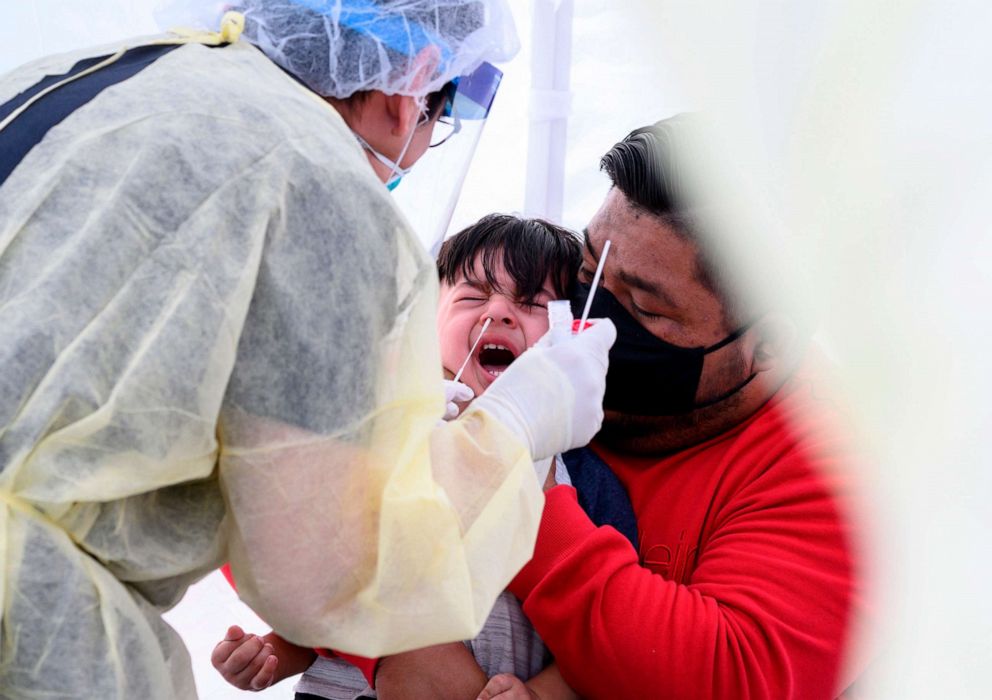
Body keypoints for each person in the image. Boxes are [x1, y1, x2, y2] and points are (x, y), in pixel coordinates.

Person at [0, 3, 617, 698]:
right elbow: (331, 575)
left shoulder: (84, 79)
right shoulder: (323, 189)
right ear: (411, 81)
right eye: (438, 119)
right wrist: (515, 423)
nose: (418, 151)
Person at [403, 115, 866, 699]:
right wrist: (381, 646)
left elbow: (725, 676)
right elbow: (302, 498)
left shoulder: (837, 468)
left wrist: (501, 485)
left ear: (766, 347)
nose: (595, 317)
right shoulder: (523, 357)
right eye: (590, 272)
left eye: (645, 307)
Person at [210, 214, 638, 699]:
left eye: (531, 303)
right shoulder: (377, 433)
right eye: (473, 296)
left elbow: (606, 635)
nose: (497, 313)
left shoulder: (582, 477)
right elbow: (332, 581)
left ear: (568, 330)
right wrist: (274, 652)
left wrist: (541, 694)